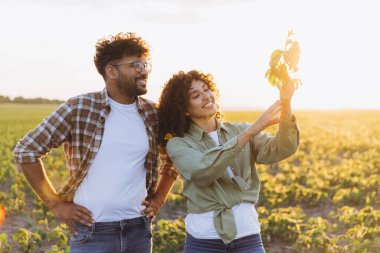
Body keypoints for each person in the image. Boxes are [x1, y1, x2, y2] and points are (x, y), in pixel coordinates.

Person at [13, 32, 179, 253]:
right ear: (111, 71)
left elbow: (174, 156)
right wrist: (55, 204)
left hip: (138, 231)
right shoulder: (80, 108)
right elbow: (26, 150)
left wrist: (159, 198)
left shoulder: (152, 112)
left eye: (146, 64)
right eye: (136, 64)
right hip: (92, 234)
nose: (144, 70)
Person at [158, 70, 300, 253]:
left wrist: (286, 106)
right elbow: (201, 171)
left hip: (248, 237)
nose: (206, 96)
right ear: (184, 109)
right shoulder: (178, 144)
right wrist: (251, 131)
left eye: (206, 89)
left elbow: (281, 148)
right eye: (195, 95)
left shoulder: (238, 130)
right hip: (204, 241)